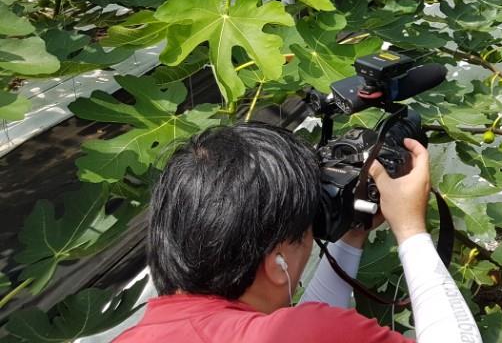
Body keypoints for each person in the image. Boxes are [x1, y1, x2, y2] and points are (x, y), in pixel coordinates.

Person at [114, 122, 482, 343]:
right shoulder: (300, 332)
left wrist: (351, 236)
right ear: (276, 262)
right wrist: (410, 228)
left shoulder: (130, 336)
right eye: (308, 230)